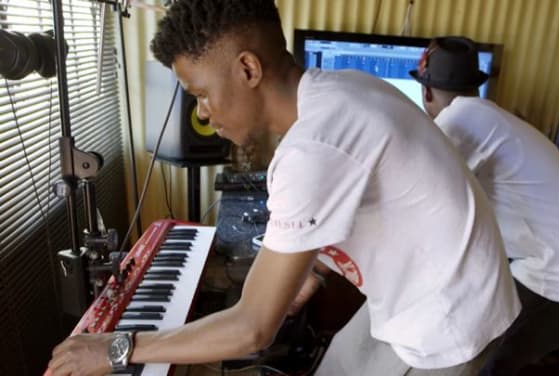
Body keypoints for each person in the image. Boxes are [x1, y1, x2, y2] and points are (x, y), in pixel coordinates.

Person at [47, 2, 521, 375]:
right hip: (428, 289)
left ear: (248, 70)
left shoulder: (313, 147)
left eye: (200, 94)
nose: (204, 113)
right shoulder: (342, 87)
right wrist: (310, 268)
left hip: (449, 322)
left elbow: (253, 328)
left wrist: (116, 347)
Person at [410, 36, 559, 375]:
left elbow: (423, 207)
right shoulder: (487, 115)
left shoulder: (460, 123)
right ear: (474, 87)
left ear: (425, 93)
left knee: (483, 364)